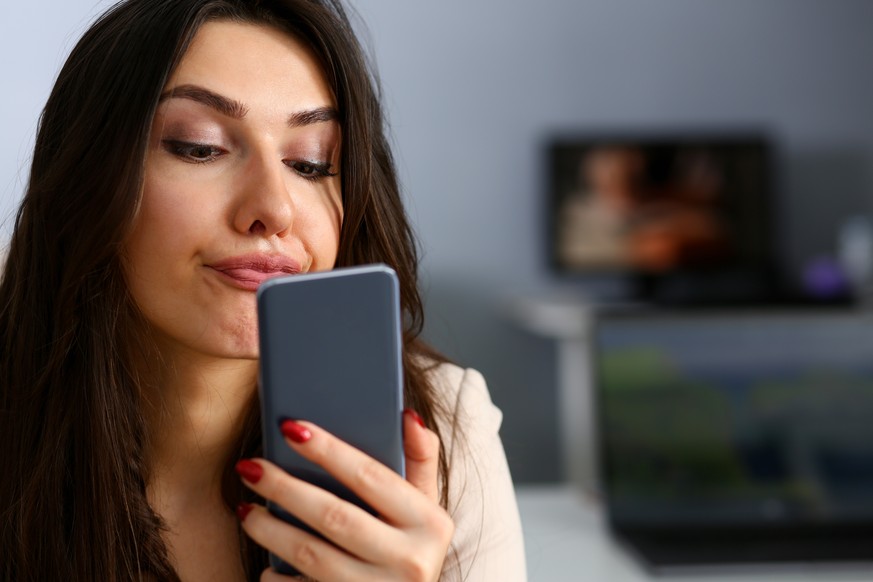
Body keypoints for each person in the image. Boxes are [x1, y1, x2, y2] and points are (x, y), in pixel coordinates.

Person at [0, 1, 526, 580]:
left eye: (310, 163)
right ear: (87, 180)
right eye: (199, 147)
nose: (274, 209)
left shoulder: (445, 430)